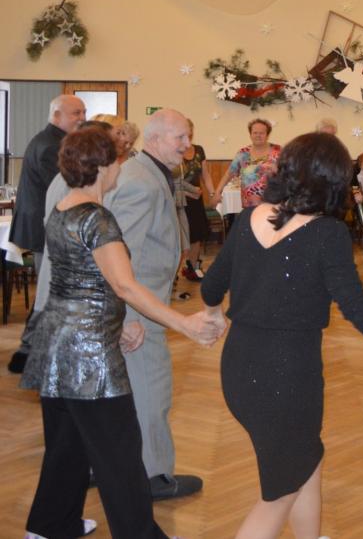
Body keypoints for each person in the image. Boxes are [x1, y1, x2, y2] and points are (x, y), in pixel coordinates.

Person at [202, 133, 363, 537]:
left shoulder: (249, 219)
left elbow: (211, 285)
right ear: (332, 180)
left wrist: (213, 314)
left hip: (238, 368)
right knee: (279, 494)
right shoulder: (327, 233)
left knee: (306, 459)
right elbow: (357, 308)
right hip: (287, 376)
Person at [21, 127, 221, 539]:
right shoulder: (97, 218)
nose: (122, 166)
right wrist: (184, 323)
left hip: (55, 343)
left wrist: (122, 321)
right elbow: (125, 285)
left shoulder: (63, 208)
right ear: (103, 166)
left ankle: (50, 526)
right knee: (121, 453)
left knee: (67, 444)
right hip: (89, 353)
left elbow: (78, 281)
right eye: (119, 160)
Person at [110, 109, 207, 500]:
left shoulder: (150, 173)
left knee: (136, 391)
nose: (187, 145)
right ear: (154, 138)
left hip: (143, 303)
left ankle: (121, 467)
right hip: (139, 309)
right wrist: (126, 317)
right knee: (152, 391)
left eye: (188, 137)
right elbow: (119, 257)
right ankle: (153, 477)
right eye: (179, 137)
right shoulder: (140, 182)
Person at [9, 94, 86, 374]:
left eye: (83, 112)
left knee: (49, 290)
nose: (82, 118)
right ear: (56, 116)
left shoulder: (51, 140)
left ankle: (28, 352)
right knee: (49, 291)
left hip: (43, 225)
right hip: (44, 227)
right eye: (76, 113)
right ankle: (28, 352)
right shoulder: (53, 146)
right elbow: (64, 189)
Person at [214, 118, 282, 230]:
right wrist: (217, 191)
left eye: (262, 133)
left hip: (272, 205)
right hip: (249, 206)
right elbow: (229, 173)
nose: (258, 135)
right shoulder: (243, 153)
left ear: (267, 135)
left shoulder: (278, 151)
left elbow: (289, 173)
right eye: (255, 132)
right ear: (250, 134)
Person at [178, 120, 214, 282]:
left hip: (196, 199)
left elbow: (205, 175)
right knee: (181, 236)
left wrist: (212, 193)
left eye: (190, 131)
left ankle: (193, 267)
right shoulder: (174, 150)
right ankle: (175, 271)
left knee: (197, 234)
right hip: (180, 200)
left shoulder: (199, 150)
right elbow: (171, 180)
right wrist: (188, 192)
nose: (189, 134)